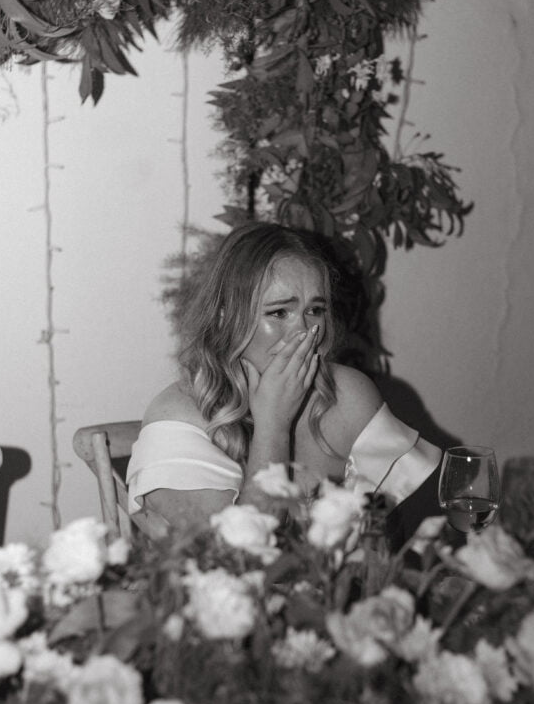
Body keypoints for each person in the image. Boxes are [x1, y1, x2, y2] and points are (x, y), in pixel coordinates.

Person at [127, 222, 441, 530]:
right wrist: (272, 426)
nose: (305, 332)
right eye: (279, 312)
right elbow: (238, 564)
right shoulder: (176, 418)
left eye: (315, 310)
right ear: (224, 318)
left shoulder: (347, 395)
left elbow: (391, 540)